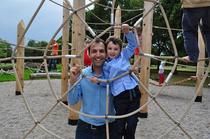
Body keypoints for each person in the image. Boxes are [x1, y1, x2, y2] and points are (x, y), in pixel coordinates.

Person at [91, 24, 141, 139]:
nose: (112, 51)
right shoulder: (106, 65)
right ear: (106, 49)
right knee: (119, 125)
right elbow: (106, 81)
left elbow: (133, 45)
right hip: (120, 97)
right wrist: (97, 80)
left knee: (132, 124)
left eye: (115, 49)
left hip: (133, 92)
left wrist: (127, 32)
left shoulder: (124, 55)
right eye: (109, 49)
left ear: (120, 50)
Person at [67, 38, 115, 139]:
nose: (98, 55)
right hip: (85, 128)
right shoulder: (83, 74)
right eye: (94, 51)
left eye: (101, 51)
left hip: (109, 127)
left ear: (106, 54)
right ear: (88, 54)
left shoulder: (114, 74)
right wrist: (72, 81)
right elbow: (72, 101)